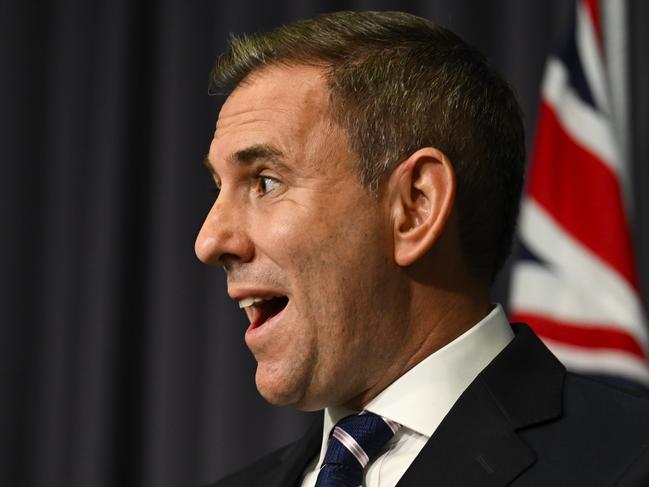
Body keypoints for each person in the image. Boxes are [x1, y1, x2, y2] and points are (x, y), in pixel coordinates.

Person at [195, 10, 649, 487]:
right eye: (217, 190)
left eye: (265, 182)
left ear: (416, 206)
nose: (209, 241)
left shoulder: (628, 463)